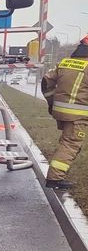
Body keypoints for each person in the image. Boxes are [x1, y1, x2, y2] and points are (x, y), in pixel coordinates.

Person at [41, 36, 88, 189]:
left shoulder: (66, 62)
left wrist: (51, 102)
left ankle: (56, 175)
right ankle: (54, 179)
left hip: (61, 112)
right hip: (78, 115)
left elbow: (46, 82)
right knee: (70, 144)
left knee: (67, 142)